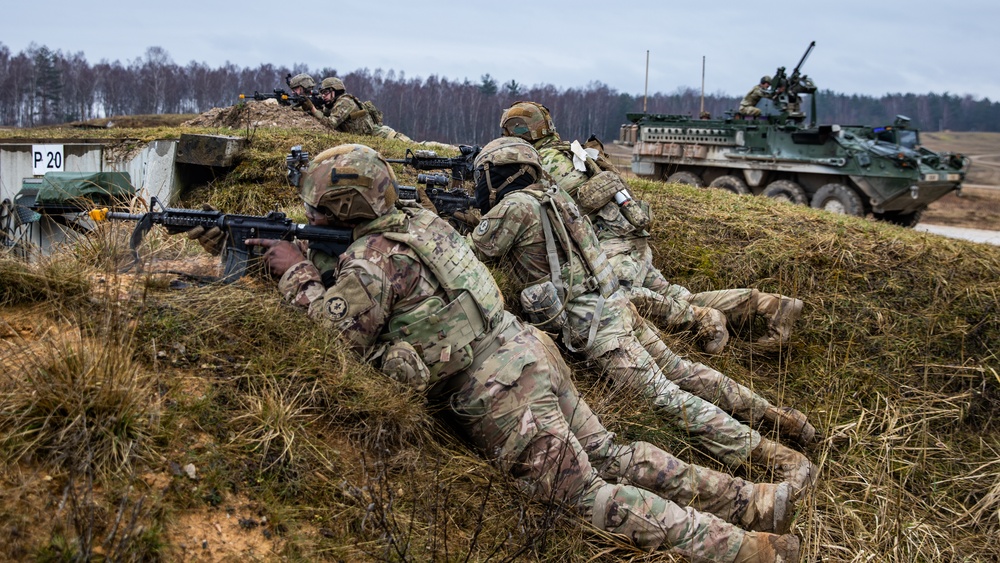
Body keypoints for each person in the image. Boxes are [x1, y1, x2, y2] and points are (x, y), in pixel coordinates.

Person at [194, 143, 801, 562]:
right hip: (529, 351)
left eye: (319, 203)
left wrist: (295, 273)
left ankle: (747, 551)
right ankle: (758, 502)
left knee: (588, 497)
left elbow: (331, 339)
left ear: (340, 207)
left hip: (499, 395)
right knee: (613, 456)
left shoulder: (371, 261)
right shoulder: (423, 226)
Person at [467, 137, 818, 501]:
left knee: (668, 398)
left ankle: (778, 459)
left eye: (484, 176)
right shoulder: (556, 196)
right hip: (617, 305)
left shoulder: (516, 207)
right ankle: (780, 417)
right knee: (683, 371)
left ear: (501, 174)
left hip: (598, 326)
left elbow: (474, 252)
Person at [500, 101, 807, 356]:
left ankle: (703, 319)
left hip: (611, 241)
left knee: (619, 296)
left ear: (518, 131)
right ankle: (767, 304)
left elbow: (561, 205)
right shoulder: (570, 150)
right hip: (628, 235)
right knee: (674, 295)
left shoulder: (549, 160)